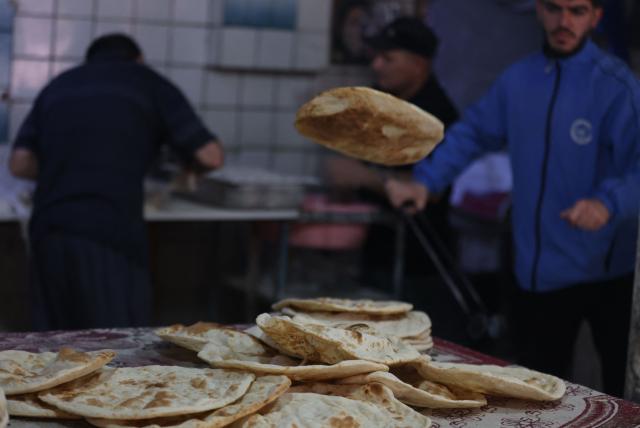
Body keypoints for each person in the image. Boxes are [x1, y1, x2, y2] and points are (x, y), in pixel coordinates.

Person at [386, 0, 640, 397]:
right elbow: (471, 134)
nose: (564, 21)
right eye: (555, 9)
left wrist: (608, 203)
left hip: (605, 271)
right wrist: (426, 181)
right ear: (539, 11)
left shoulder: (617, 86)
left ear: (595, 16)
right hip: (536, 272)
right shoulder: (517, 81)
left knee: (615, 394)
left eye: (577, 11)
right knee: (536, 394)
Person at [9, 34, 224, 331]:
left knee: (54, 352)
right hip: (109, 234)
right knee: (115, 346)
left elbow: (19, 164)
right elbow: (210, 156)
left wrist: (67, 169)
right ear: (138, 59)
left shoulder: (59, 85)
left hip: (49, 230)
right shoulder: (147, 81)